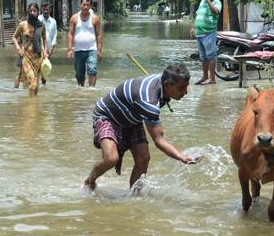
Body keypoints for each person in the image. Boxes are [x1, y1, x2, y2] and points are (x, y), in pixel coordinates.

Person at [83, 63, 197, 191]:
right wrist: (181, 156)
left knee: (143, 158)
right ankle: (89, 181)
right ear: (167, 84)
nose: (185, 92)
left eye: (186, 87)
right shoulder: (149, 102)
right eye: (181, 88)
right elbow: (159, 141)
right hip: (107, 116)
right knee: (111, 158)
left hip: (133, 115)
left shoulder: (163, 80)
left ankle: (134, 196)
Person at [13, 3, 47, 97]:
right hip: (26, 57)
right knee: (32, 82)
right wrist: (18, 49)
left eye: (34, 11)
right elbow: (14, 37)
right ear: (28, 11)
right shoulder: (22, 25)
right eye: (30, 11)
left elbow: (44, 39)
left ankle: (33, 104)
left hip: (38, 58)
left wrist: (45, 52)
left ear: (38, 12)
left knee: (36, 86)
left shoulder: (41, 25)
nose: (32, 13)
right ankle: (32, 106)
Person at [67, 0, 102, 87]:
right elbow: (70, 34)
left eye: (88, 5)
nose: (86, 7)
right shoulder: (74, 18)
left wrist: (99, 50)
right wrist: (69, 49)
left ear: (90, 6)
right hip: (78, 50)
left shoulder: (95, 18)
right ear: (80, 5)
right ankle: (81, 90)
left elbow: (98, 34)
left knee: (92, 69)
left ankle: (91, 89)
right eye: (84, 4)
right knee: (79, 73)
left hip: (91, 49)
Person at [190, 0, 221, 85]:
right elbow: (198, 14)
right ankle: (204, 77)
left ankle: (212, 79)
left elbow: (216, 12)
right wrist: (193, 28)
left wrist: (208, 1)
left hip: (209, 32)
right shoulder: (202, 1)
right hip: (199, 33)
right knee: (203, 57)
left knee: (211, 56)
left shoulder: (216, 1)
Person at [39, 3, 58, 85]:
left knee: (45, 68)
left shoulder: (53, 21)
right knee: (37, 67)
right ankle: (35, 84)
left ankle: (43, 84)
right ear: (42, 10)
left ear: (50, 10)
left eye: (47, 9)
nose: (46, 11)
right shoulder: (38, 19)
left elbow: (54, 36)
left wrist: (51, 50)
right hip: (39, 47)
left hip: (49, 49)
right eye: (44, 9)